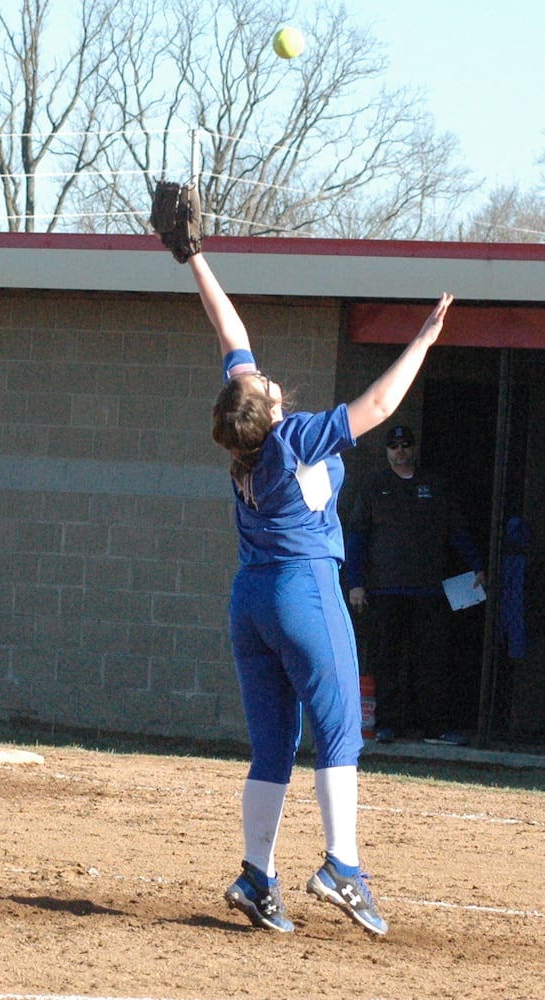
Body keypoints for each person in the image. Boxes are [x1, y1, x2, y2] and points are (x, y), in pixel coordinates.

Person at [178, 247, 453, 938]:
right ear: (269, 413)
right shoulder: (292, 436)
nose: (264, 375)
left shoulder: (248, 436)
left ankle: (256, 877)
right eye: (262, 382)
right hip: (303, 589)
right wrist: (422, 340)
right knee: (340, 732)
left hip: (252, 600)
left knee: (273, 746)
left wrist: (193, 258)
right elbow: (381, 403)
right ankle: (342, 867)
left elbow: (228, 333)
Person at [345, 426, 486, 746]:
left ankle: (434, 728)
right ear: (386, 451)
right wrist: (356, 583)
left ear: (414, 448)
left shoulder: (434, 486)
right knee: (387, 660)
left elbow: (457, 530)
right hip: (385, 590)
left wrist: (477, 563)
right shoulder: (373, 486)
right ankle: (387, 726)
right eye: (393, 446)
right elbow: (357, 538)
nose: (400, 451)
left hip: (428, 590)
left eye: (405, 445)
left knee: (431, 661)